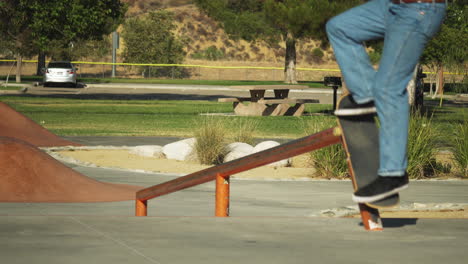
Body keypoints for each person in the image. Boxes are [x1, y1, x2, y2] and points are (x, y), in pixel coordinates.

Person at [326, 0, 447, 203]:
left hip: (419, 10)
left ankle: (393, 174)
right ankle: (366, 95)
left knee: (389, 88)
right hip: (390, 6)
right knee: (340, 27)